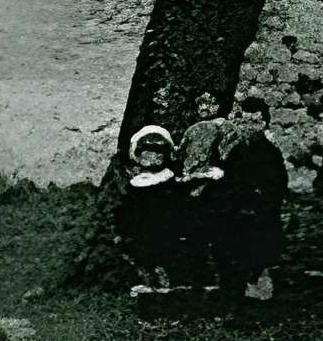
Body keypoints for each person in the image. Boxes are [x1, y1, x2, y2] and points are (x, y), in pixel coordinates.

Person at [208, 94, 290, 300]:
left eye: (254, 121)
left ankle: (256, 281)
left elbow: (277, 184)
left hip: (259, 210)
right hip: (235, 209)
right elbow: (226, 178)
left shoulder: (270, 153)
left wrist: (259, 199)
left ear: (263, 123)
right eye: (245, 121)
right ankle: (232, 284)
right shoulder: (235, 149)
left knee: (258, 247)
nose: (249, 126)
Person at [114, 124, 191, 294]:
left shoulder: (170, 180)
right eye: (148, 149)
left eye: (159, 150)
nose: (154, 155)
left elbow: (179, 204)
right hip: (144, 231)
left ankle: (170, 282)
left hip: (168, 229)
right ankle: (150, 281)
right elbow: (128, 209)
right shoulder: (136, 184)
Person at [176, 90, 233, 178]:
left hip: (213, 170)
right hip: (191, 170)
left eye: (208, 103)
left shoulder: (224, 125)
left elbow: (227, 152)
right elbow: (181, 151)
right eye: (200, 104)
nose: (203, 106)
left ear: (216, 106)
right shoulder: (192, 129)